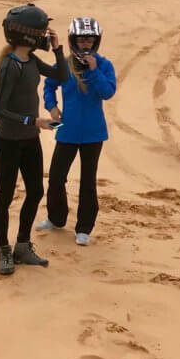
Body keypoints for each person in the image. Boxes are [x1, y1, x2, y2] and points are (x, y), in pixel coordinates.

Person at [0, 3, 68, 275]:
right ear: (27, 35)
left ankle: (22, 246)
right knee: (6, 196)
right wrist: (33, 121)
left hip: (30, 139)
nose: (44, 37)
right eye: (42, 33)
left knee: (35, 191)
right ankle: (4, 250)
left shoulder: (33, 61)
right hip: (9, 141)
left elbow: (62, 75)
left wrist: (58, 49)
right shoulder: (11, 67)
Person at [38, 16, 117, 246]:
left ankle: (84, 228)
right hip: (67, 131)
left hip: (94, 133)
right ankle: (55, 218)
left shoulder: (104, 65)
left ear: (96, 41)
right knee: (55, 177)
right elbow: (49, 85)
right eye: (81, 39)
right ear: (74, 40)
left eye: (90, 40)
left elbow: (107, 92)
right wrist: (51, 106)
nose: (85, 44)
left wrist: (93, 71)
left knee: (88, 182)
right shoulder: (64, 64)